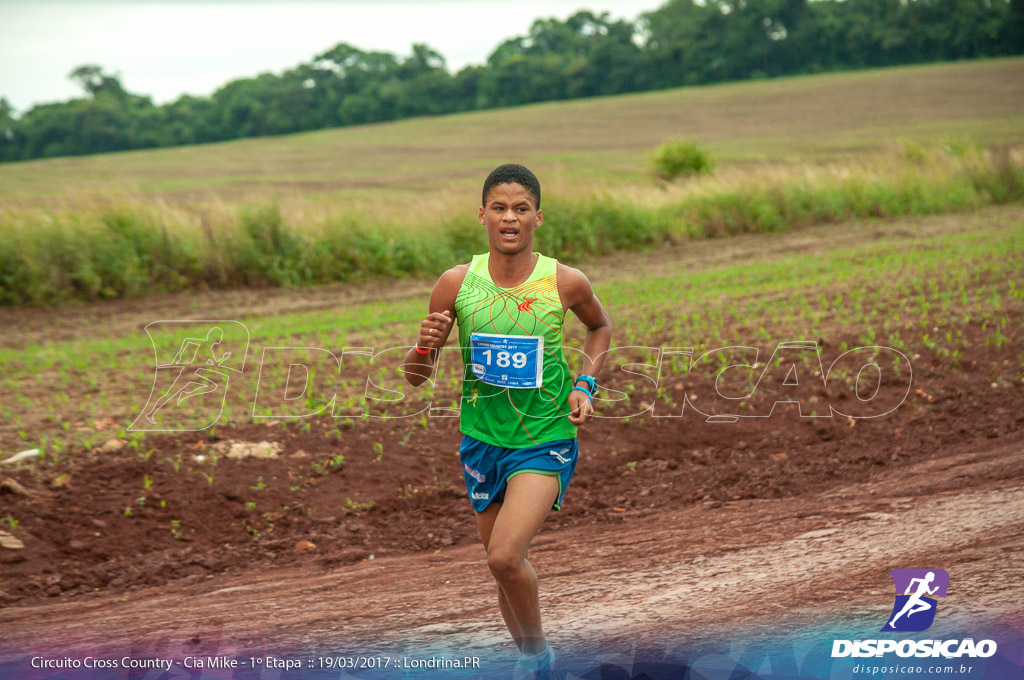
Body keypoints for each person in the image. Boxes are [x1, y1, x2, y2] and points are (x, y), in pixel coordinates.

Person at [403, 164, 613, 678]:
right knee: (506, 572)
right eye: (499, 207)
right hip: (481, 442)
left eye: (521, 208)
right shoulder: (456, 284)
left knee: (502, 557)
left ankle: (538, 656)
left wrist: (586, 384)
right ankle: (532, 662)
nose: (510, 217)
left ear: (537, 216)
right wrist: (425, 342)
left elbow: (600, 327)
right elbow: (415, 377)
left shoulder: (565, 281)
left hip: (545, 438)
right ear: (482, 215)